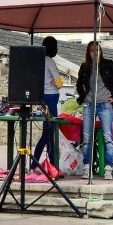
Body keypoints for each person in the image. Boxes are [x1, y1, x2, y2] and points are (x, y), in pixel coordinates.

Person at [76, 41, 113, 180]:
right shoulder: (85, 67)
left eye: (97, 50)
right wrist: (83, 96)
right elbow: (79, 84)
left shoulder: (108, 64)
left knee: (108, 137)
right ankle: (87, 168)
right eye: (92, 50)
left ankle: (108, 168)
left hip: (105, 104)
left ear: (101, 51)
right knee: (86, 138)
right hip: (89, 104)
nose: (95, 53)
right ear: (88, 52)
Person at [32, 36, 62, 174]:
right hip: (52, 96)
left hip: (42, 97)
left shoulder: (37, 60)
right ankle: (35, 163)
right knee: (49, 132)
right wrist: (54, 83)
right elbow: (59, 83)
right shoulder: (50, 61)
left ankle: (52, 165)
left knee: (48, 133)